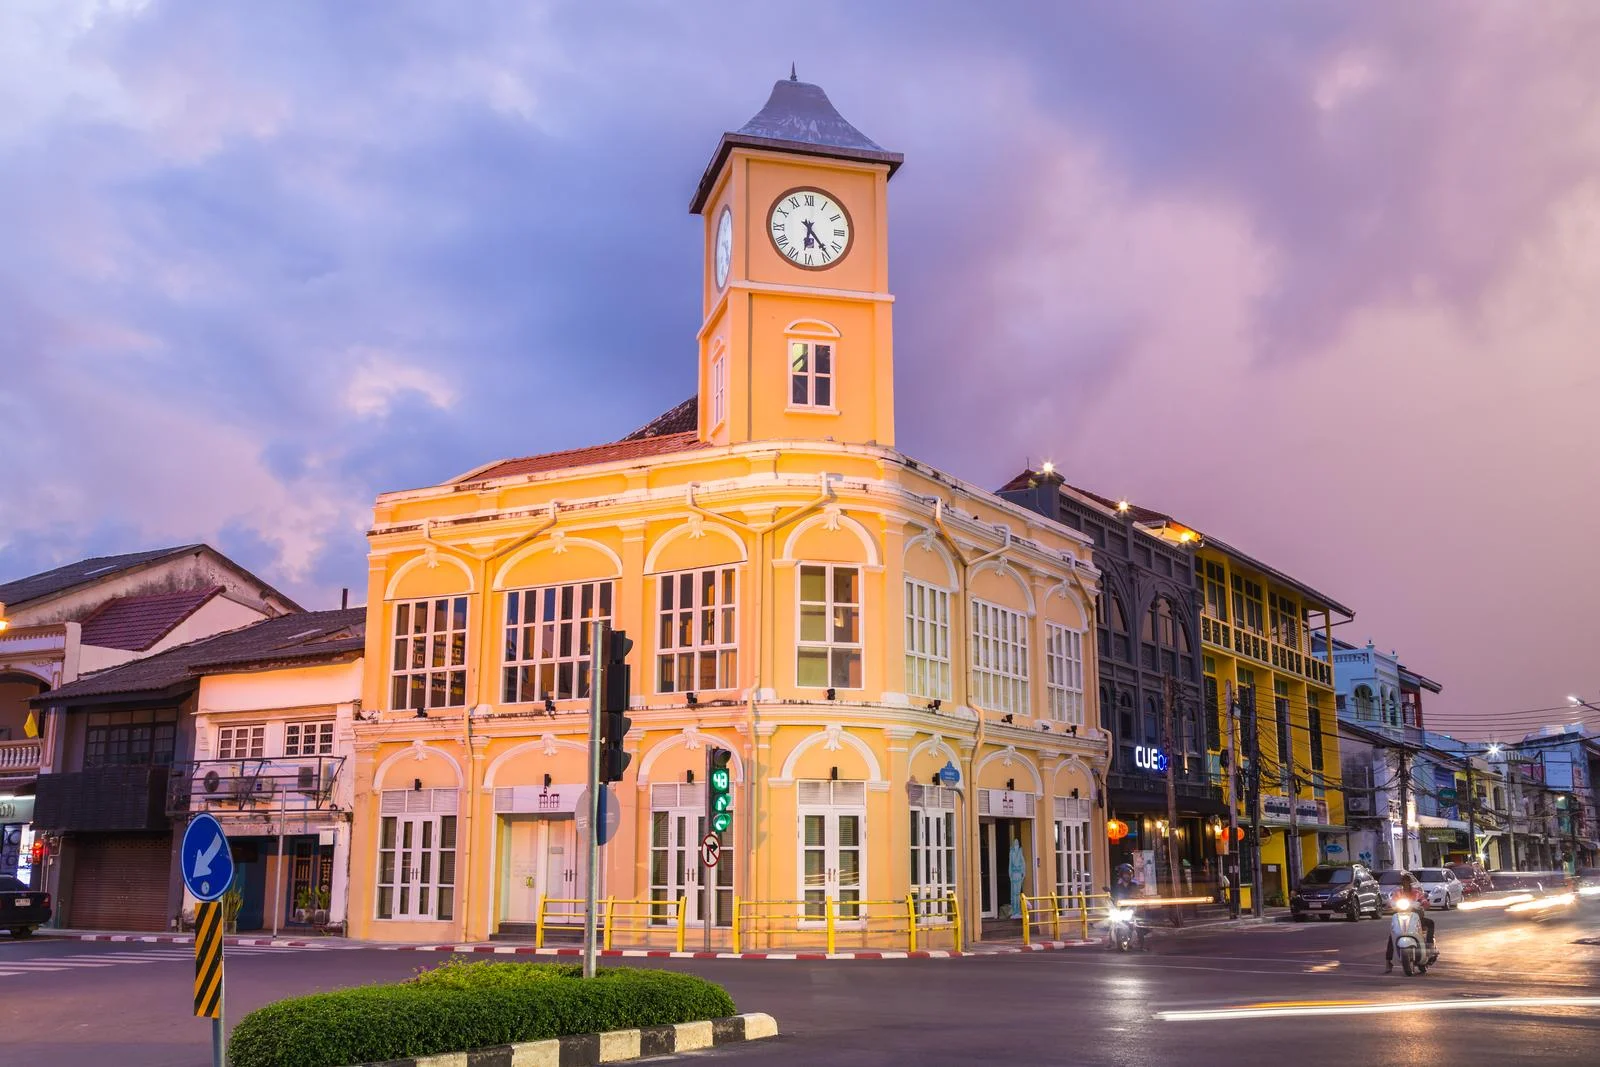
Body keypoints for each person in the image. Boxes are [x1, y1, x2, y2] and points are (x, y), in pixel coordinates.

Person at [1385, 872, 1436, 973]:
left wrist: (1424, 903)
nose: (1405, 883)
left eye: (1407, 881)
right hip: (1401, 919)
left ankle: (1429, 947)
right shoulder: (1398, 893)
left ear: (1410, 882)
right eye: (1403, 881)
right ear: (1402, 883)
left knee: (1430, 923)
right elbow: (1392, 902)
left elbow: (1424, 900)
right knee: (1392, 934)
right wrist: (1390, 904)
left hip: (1415, 918)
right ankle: (1388, 961)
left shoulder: (1416, 893)